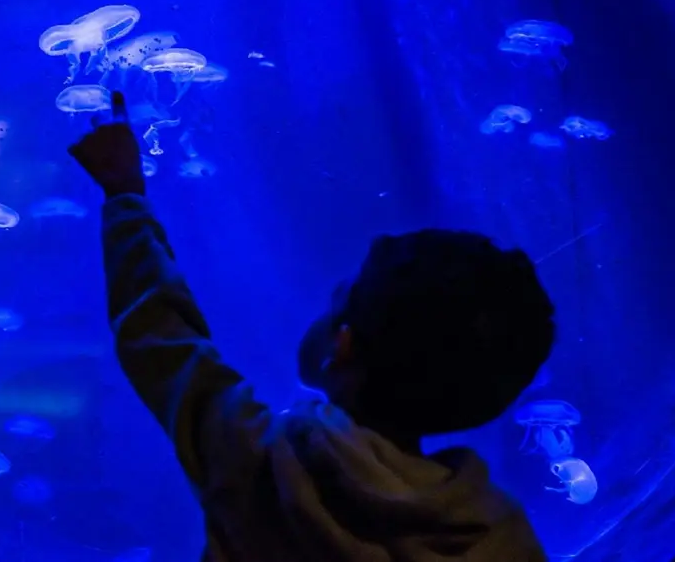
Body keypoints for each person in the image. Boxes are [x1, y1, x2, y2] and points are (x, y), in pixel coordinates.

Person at [68, 91, 555, 562]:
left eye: (338, 297)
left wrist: (124, 191)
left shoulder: (263, 464)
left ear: (342, 346)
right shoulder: (499, 533)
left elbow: (161, 335)